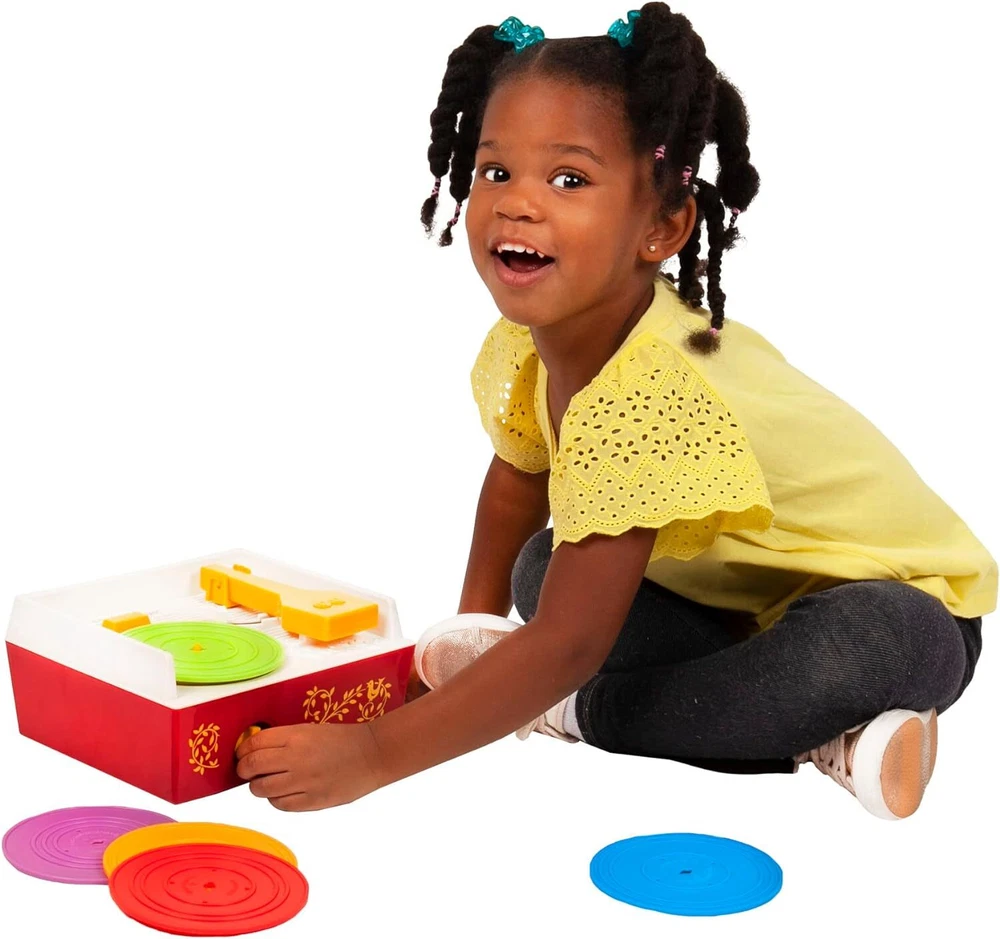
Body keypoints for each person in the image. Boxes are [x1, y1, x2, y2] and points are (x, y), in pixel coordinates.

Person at [236, 4, 995, 818]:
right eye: (496, 171)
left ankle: (588, 712)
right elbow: (518, 482)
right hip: (726, 612)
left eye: (568, 179)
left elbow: (570, 642)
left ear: (662, 227)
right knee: (543, 567)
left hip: (904, 612)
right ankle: (797, 727)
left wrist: (377, 751)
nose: (518, 204)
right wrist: (459, 645)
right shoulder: (534, 339)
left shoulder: (651, 389)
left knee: (843, 650)